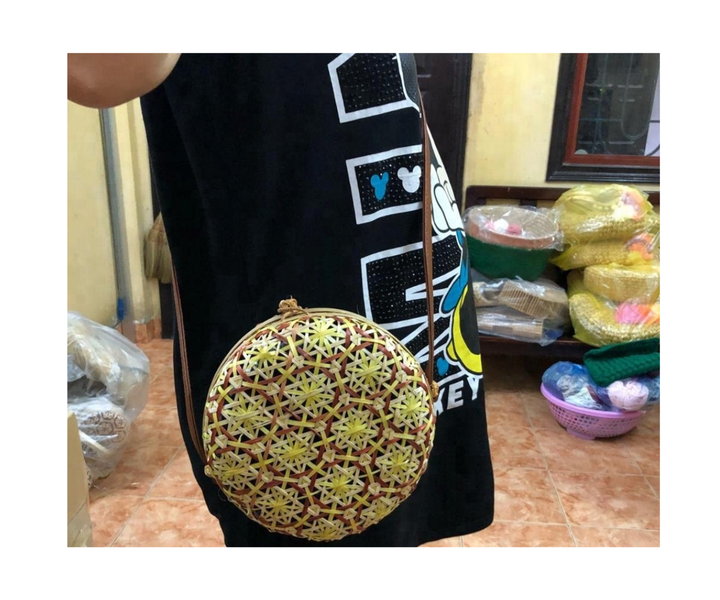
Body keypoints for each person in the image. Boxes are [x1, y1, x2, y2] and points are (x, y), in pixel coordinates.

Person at [68, 53, 494, 547]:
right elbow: (95, 73)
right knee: (311, 511)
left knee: (398, 499)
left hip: (409, 254)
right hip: (295, 321)